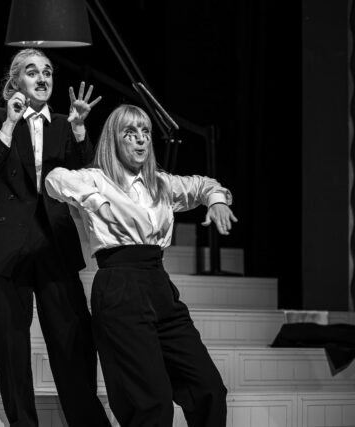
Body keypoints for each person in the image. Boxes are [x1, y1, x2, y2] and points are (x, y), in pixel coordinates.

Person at [46, 104, 236, 427]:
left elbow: (205, 185)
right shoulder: (97, 179)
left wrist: (216, 200)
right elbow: (54, 179)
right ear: (114, 140)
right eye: (130, 133)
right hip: (119, 288)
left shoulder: (160, 183)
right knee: (152, 405)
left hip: (159, 286)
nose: (141, 139)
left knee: (208, 389)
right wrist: (94, 200)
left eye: (145, 132)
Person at [0, 48, 110, 426]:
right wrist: (9, 124)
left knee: (73, 342)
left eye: (47, 72)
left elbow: (85, 178)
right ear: (16, 81)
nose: (42, 78)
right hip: (5, 247)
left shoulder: (64, 124)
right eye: (32, 72)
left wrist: (79, 130)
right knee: (11, 348)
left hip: (53, 244)